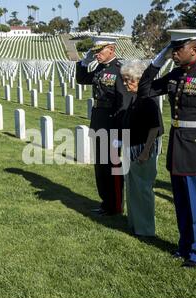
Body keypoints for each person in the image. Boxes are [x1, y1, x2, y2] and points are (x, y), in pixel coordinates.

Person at [138, 29, 196, 268]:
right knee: (182, 205)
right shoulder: (176, 74)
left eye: (177, 50)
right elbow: (145, 90)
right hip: (178, 147)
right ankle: (185, 246)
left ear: (194, 49)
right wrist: (156, 62)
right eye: (171, 50)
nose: (174, 55)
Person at [76, 36, 132, 216]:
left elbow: (124, 103)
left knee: (112, 167)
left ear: (111, 50)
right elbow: (82, 79)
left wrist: (120, 132)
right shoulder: (101, 68)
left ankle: (115, 206)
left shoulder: (120, 70)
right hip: (99, 120)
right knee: (100, 166)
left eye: (100, 51)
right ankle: (105, 202)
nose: (96, 54)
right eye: (95, 51)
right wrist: (84, 62)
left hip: (112, 123)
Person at [120, 60, 164, 237]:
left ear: (138, 79)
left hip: (143, 148)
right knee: (132, 188)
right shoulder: (136, 98)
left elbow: (154, 128)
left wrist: (146, 152)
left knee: (143, 189)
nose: (125, 84)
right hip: (132, 146)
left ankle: (145, 229)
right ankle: (135, 224)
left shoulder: (148, 99)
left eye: (128, 80)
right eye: (124, 80)